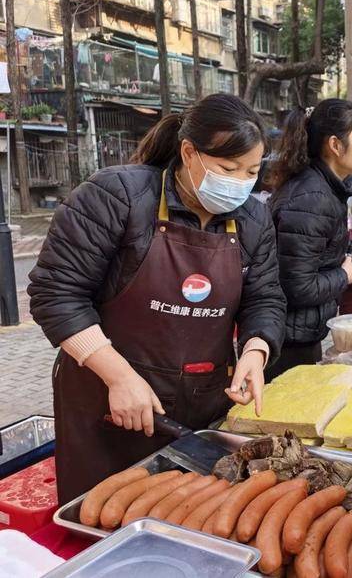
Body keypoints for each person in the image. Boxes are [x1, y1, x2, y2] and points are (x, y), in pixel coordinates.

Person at [28, 94, 286, 503]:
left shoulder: (253, 220)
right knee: (104, 517)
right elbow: (55, 293)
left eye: (251, 171)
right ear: (189, 152)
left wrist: (256, 350)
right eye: (227, 168)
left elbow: (265, 298)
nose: (240, 181)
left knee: (192, 518)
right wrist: (118, 376)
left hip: (200, 407)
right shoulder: (117, 197)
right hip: (108, 403)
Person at [269, 100, 352, 378]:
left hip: (300, 332)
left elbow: (308, 251)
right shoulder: (312, 198)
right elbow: (297, 286)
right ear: (335, 145)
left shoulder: (324, 189)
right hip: (286, 340)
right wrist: (346, 274)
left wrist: (351, 248)